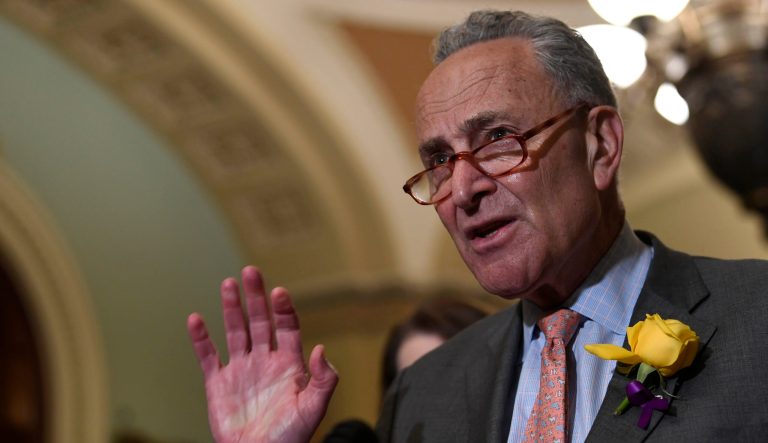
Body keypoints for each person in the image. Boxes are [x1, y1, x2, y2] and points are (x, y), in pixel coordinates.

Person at [187, 9, 768, 443]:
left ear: (600, 144)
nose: (462, 189)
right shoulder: (425, 393)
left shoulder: (756, 319)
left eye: (497, 140)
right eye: (439, 160)